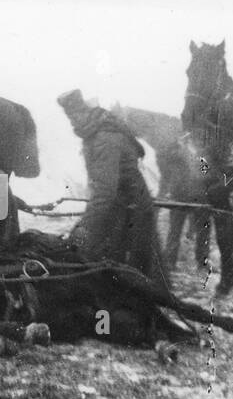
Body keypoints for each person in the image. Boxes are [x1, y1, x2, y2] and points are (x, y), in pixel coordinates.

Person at [57, 89, 158, 275]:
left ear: (83, 112)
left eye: (74, 117)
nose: (73, 123)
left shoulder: (104, 139)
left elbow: (105, 192)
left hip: (132, 217)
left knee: (130, 281)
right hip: (121, 211)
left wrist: (82, 231)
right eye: (70, 119)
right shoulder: (97, 132)